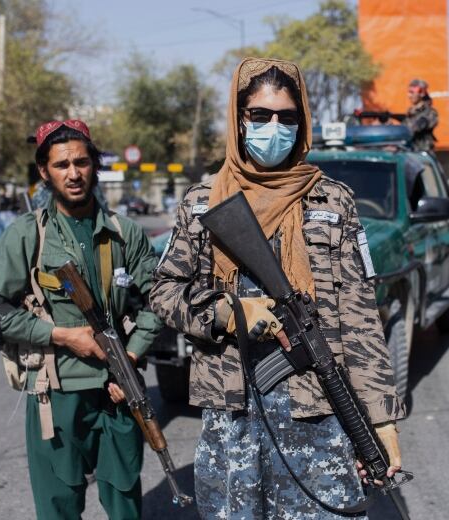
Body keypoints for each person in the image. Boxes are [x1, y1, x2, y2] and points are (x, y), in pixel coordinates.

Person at [150, 57, 405, 519]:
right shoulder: (203, 202)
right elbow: (164, 291)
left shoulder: (332, 199)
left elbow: (360, 314)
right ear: (239, 118)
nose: (274, 127)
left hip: (318, 409)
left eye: (287, 117)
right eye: (261, 115)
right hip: (233, 415)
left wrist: (382, 417)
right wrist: (230, 314)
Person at [0, 119, 162, 519]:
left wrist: (131, 354)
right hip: (55, 397)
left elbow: (159, 302)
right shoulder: (27, 235)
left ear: (95, 165)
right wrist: (59, 335)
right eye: (61, 165)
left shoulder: (125, 233)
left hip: (118, 392)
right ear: (44, 171)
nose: (74, 173)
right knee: (58, 508)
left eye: (81, 162)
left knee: (126, 502)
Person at [404, 78, 439, 152]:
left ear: (422, 93)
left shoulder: (430, 112)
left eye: (412, 92)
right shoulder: (410, 112)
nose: (409, 95)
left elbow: (417, 127)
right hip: (408, 153)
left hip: (422, 155)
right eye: (409, 92)